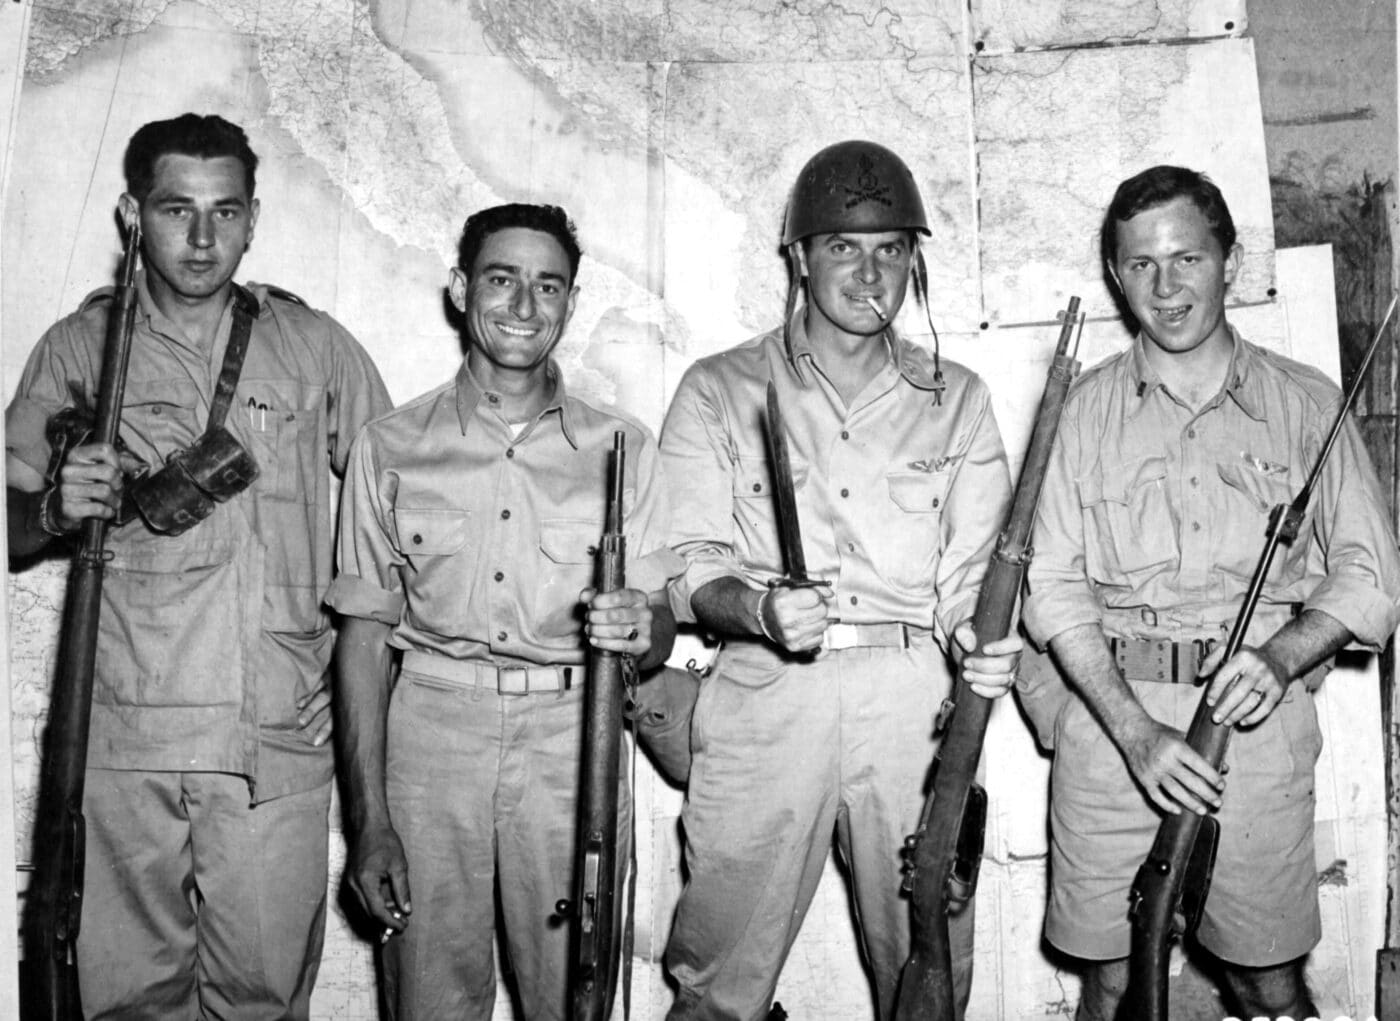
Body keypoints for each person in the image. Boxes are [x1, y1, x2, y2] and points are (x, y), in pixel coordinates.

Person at [5, 113, 391, 1018]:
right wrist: (55, 505)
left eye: (225, 212)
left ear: (254, 218)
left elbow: (397, 503)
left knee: (260, 999)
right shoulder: (81, 347)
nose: (204, 238)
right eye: (178, 210)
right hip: (124, 738)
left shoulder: (314, 347)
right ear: (133, 216)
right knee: (127, 1000)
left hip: (274, 738)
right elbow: (11, 521)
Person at [1020, 165, 1400, 1019]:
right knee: (1114, 979)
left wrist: (1281, 654)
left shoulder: (1306, 404)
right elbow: (1051, 587)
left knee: (1266, 981)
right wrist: (1133, 732)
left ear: (1229, 260)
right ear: (1117, 276)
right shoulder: (1081, 414)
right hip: (1113, 725)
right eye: (1142, 265)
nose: (1166, 286)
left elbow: (1371, 577)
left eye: (1187, 258)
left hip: (1253, 732)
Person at [658, 139, 1022, 1021]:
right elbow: (679, 565)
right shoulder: (722, 388)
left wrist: (980, 636)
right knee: (716, 978)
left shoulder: (958, 396)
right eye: (844, 248)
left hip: (912, 704)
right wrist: (754, 608)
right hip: (766, 693)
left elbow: (975, 571)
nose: (871, 273)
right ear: (799, 258)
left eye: (892, 249)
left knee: (929, 961)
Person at [328, 202, 681, 1020]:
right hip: (429, 737)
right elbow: (361, 644)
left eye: (547, 286)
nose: (524, 306)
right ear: (460, 290)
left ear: (569, 302)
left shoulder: (624, 449)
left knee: (576, 994)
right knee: (427, 997)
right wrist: (369, 821)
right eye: (502, 279)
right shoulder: (390, 445)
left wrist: (640, 630)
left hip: (573, 740)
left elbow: (659, 625)